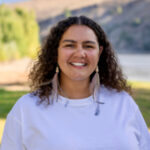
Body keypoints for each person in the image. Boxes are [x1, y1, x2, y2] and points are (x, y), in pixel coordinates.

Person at [1, 16, 150, 150]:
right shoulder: (26, 109)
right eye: (70, 45)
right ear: (55, 51)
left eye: (88, 46)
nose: (79, 53)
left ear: (99, 52)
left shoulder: (124, 103)